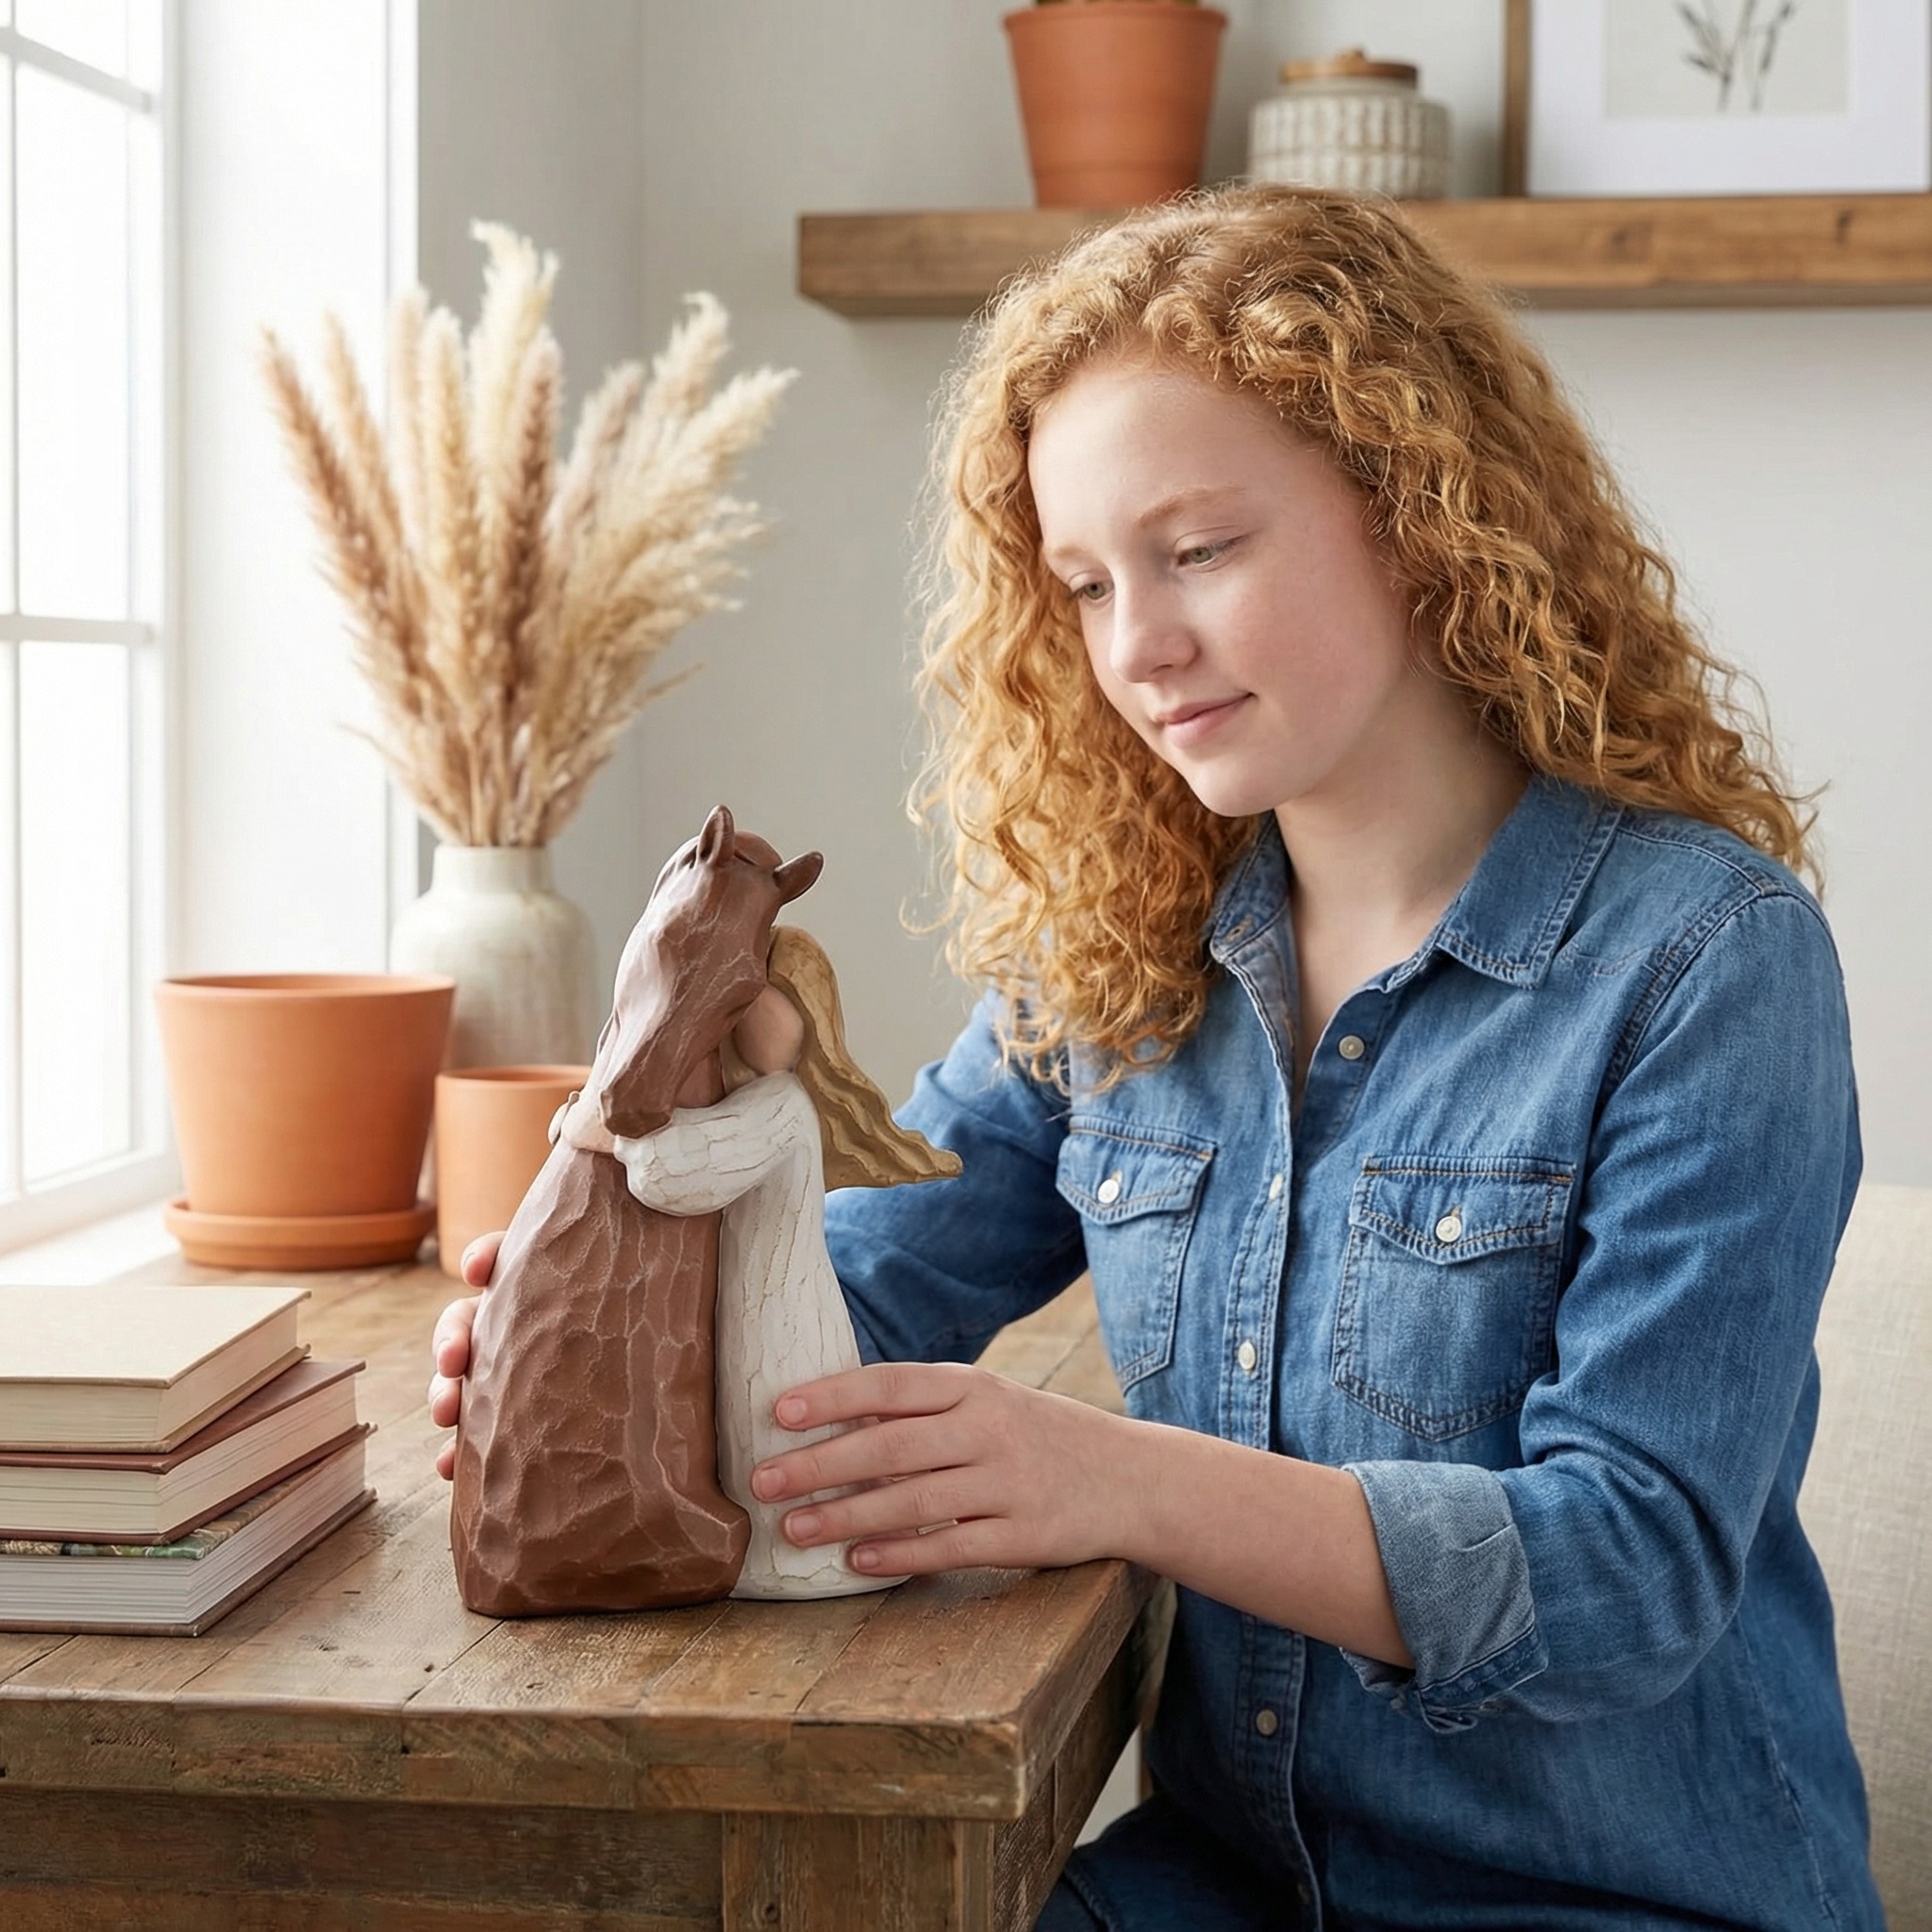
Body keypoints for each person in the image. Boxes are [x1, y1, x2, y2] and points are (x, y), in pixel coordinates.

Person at [428, 186, 1879, 1927]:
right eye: (1088, 584)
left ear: (1421, 512)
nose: (1138, 649)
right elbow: (868, 1300)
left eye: (1199, 552)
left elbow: (1628, 1567)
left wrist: (1107, 1476)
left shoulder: (1706, 962)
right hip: (1218, 1886)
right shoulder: (1113, 952)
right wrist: (627, 1338)